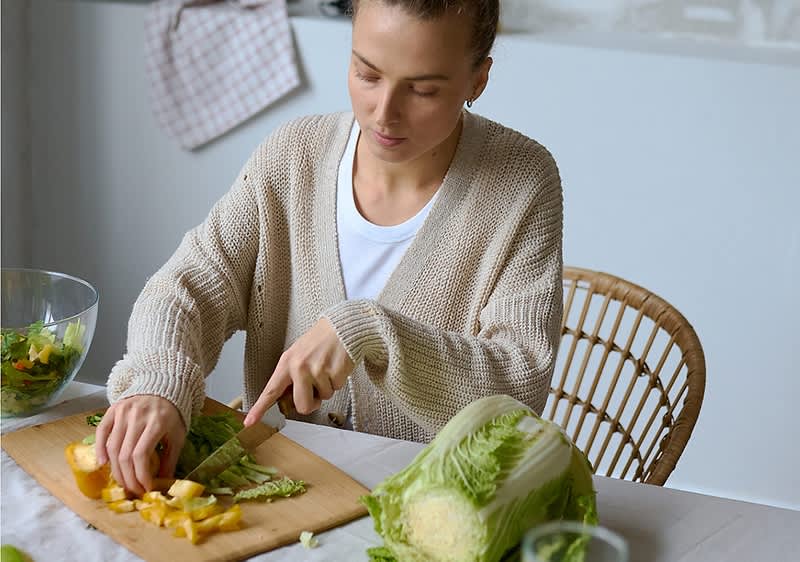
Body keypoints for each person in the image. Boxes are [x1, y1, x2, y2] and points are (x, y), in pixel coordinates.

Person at [96, 0, 564, 495]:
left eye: (423, 89)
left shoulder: (522, 181)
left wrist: (371, 331)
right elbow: (187, 286)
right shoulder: (293, 155)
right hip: (278, 494)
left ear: (477, 81)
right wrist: (157, 381)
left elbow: (518, 384)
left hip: (430, 506)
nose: (384, 113)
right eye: (367, 74)